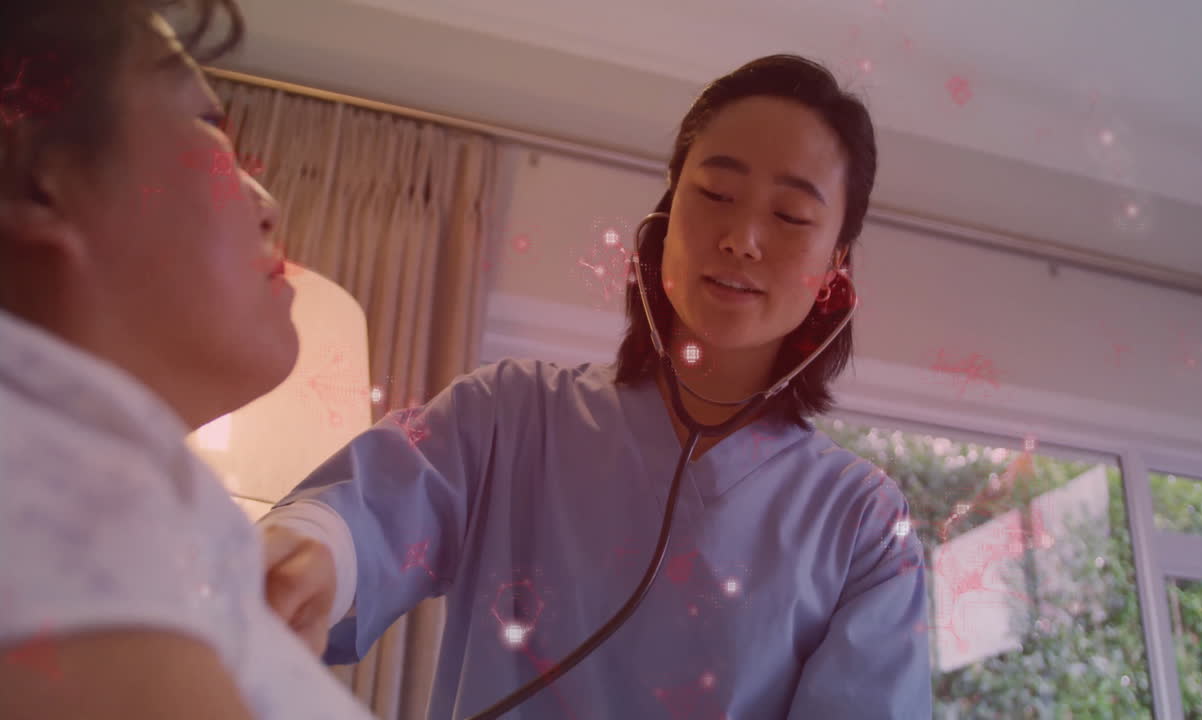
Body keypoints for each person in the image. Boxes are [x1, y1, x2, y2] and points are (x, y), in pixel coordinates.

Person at [260, 54, 933, 719]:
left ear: (836, 263)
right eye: (716, 195)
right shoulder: (509, 414)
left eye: (790, 215)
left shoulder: (864, 527)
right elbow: (367, 514)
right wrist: (312, 554)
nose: (742, 239)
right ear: (667, 215)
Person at [0, 2, 377, 719]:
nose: (267, 206)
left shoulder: (135, 523)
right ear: (33, 171)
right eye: (209, 126)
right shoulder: (59, 497)